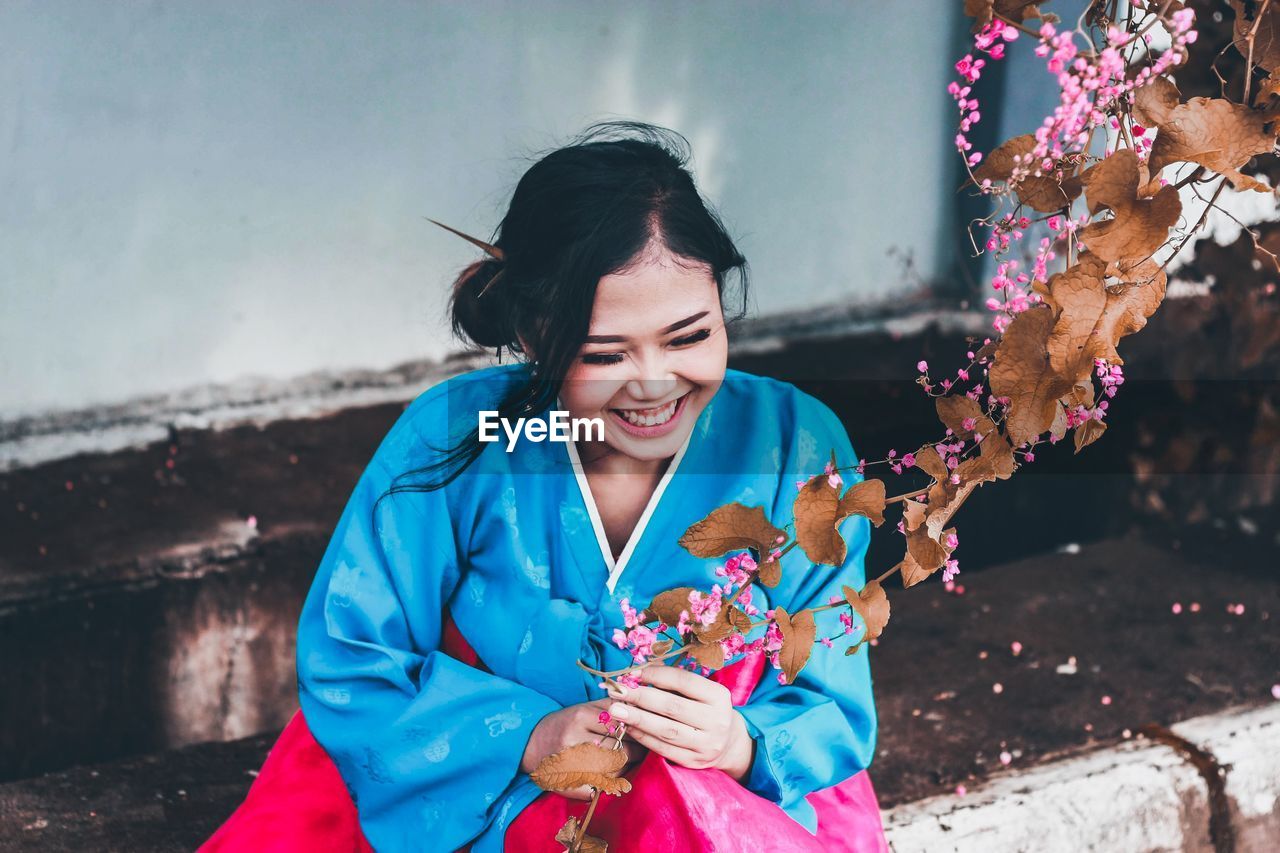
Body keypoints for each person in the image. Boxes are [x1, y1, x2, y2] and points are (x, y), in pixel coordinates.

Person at [201, 121, 888, 853]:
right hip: (486, 785)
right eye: (603, 353)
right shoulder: (459, 438)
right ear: (533, 336)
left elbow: (833, 693)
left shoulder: (795, 445)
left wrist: (738, 740)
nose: (654, 383)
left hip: (722, 793)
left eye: (691, 336)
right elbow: (352, 654)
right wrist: (532, 734)